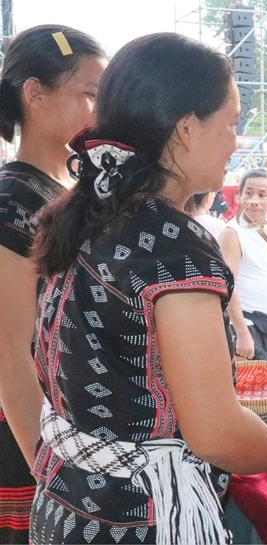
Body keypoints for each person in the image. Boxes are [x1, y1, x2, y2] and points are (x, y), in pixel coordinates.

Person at [27, 33, 267, 544]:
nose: (235, 142)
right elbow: (216, 432)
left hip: (65, 504)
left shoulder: (85, 213)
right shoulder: (173, 246)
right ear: (185, 129)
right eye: (231, 123)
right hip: (136, 519)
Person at [0, 25, 105, 545]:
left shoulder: (69, 189)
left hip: (73, 425)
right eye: (89, 94)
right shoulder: (12, 201)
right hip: (31, 437)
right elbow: (9, 351)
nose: (99, 112)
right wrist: (47, 467)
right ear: (35, 94)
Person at [219, 168, 267, 361]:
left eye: (262, 195)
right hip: (246, 326)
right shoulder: (233, 233)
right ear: (239, 197)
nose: (254, 200)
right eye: (249, 193)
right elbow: (227, 285)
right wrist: (242, 334)